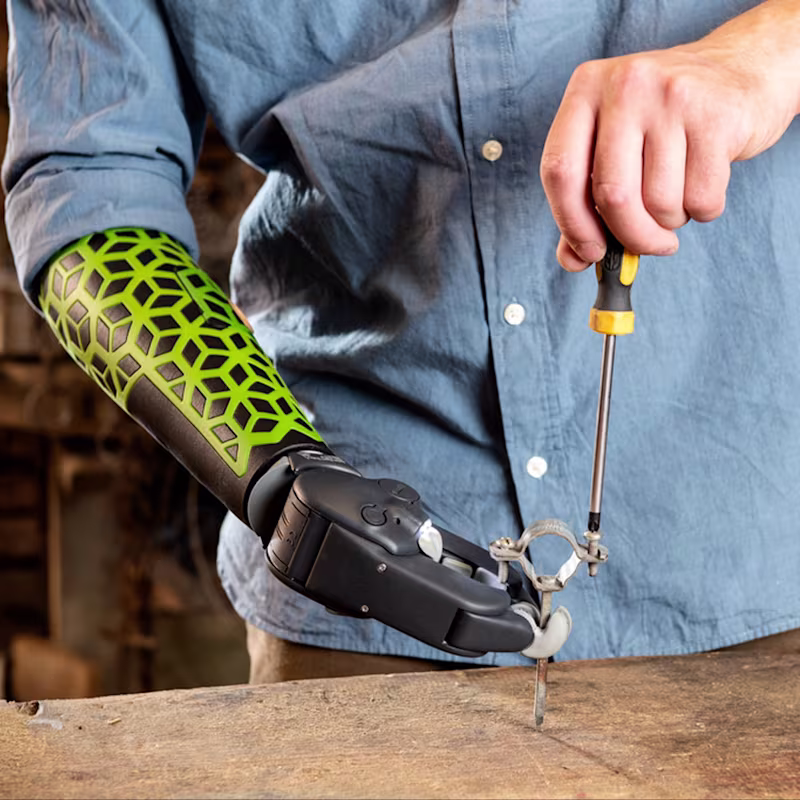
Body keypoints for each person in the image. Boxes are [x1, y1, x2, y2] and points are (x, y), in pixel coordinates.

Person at [4, 0, 799, 683]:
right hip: (359, 611)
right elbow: (88, 183)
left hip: (756, 559)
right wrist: (280, 473)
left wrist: (771, 47)